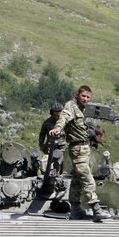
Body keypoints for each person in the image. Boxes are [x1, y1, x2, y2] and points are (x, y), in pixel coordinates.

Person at [49, 85, 111, 222]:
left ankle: (76, 210)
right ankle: (96, 209)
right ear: (78, 95)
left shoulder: (81, 109)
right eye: (83, 96)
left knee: (77, 181)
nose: (86, 99)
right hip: (77, 149)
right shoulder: (71, 105)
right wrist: (57, 128)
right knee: (87, 179)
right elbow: (63, 117)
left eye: (88, 97)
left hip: (84, 148)